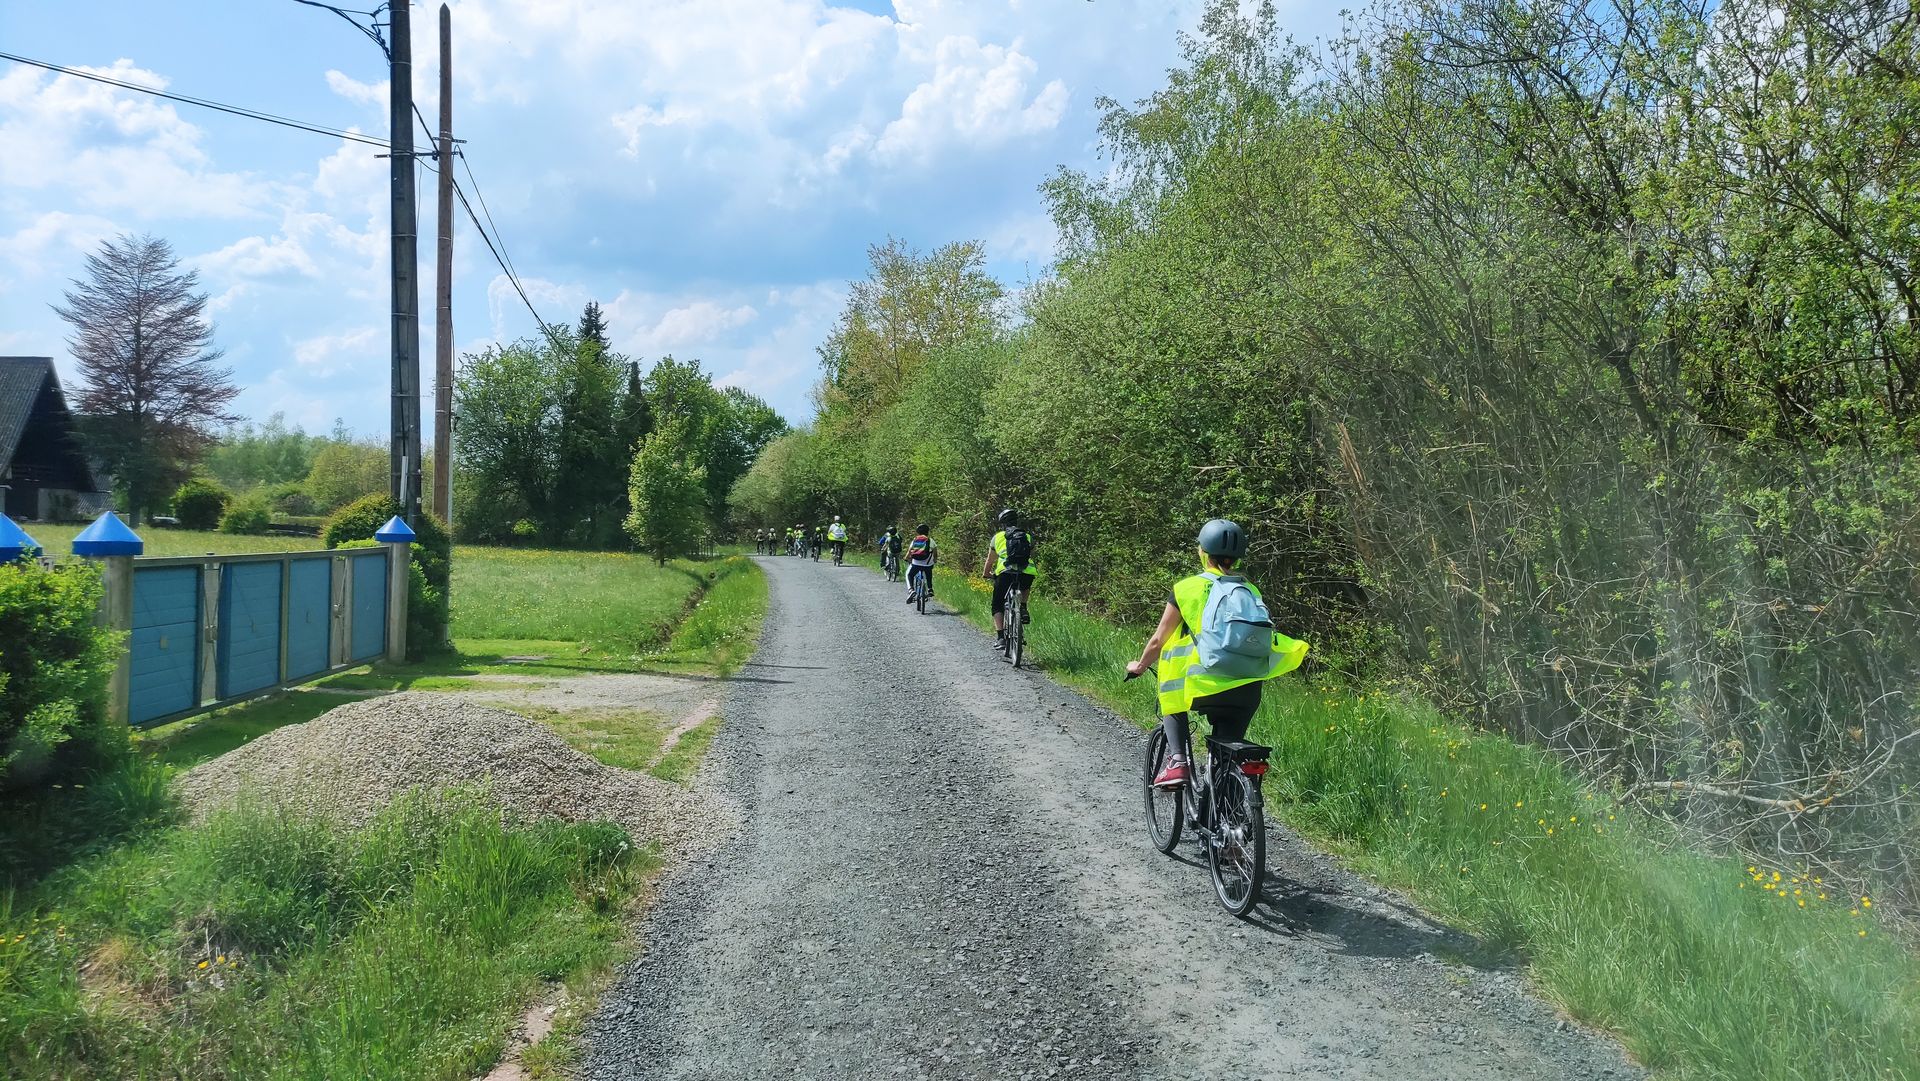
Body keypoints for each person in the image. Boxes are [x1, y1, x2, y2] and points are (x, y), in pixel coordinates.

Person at [1125, 519, 1309, 787]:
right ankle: (1230, 800)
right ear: (1237, 558)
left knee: (1171, 697)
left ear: (1203, 551)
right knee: (1227, 755)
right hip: (1247, 688)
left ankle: (1178, 762)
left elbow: (1158, 640)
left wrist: (1140, 666)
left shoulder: (1186, 588)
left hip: (1203, 686)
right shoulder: (1249, 590)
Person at [981, 507, 1038, 651]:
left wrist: (986, 573)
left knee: (997, 604)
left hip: (1005, 572)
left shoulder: (998, 537)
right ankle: (1023, 607)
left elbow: (990, 560)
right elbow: (1031, 555)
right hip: (1026, 571)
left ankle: (1001, 638)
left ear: (1002, 523)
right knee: (1025, 585)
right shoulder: (1027, 536)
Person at [903, 522, 937, 603]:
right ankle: (930, 589)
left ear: (917, 532)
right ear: (927, 532)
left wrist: (906, 558)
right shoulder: (930, 540)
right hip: (928, 564)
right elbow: (935, 552)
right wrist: (935, 559)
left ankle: (911, 590)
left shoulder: (915, 540)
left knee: (909, 574)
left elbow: (910, 551)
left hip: (916, 564)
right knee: (929, 574)